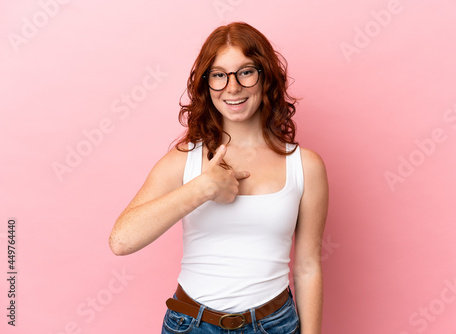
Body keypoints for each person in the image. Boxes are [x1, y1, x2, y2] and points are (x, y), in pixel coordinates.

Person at [109, 22, 328, 334]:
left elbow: (308, 267)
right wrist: (202, 188)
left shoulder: (306, 165)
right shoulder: (183, 161)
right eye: (219, 75)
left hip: (275, 325)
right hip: (191, 325)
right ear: (206, 84)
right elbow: (121, 241)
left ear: (266, 78)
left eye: (246, 72)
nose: (233, 87)